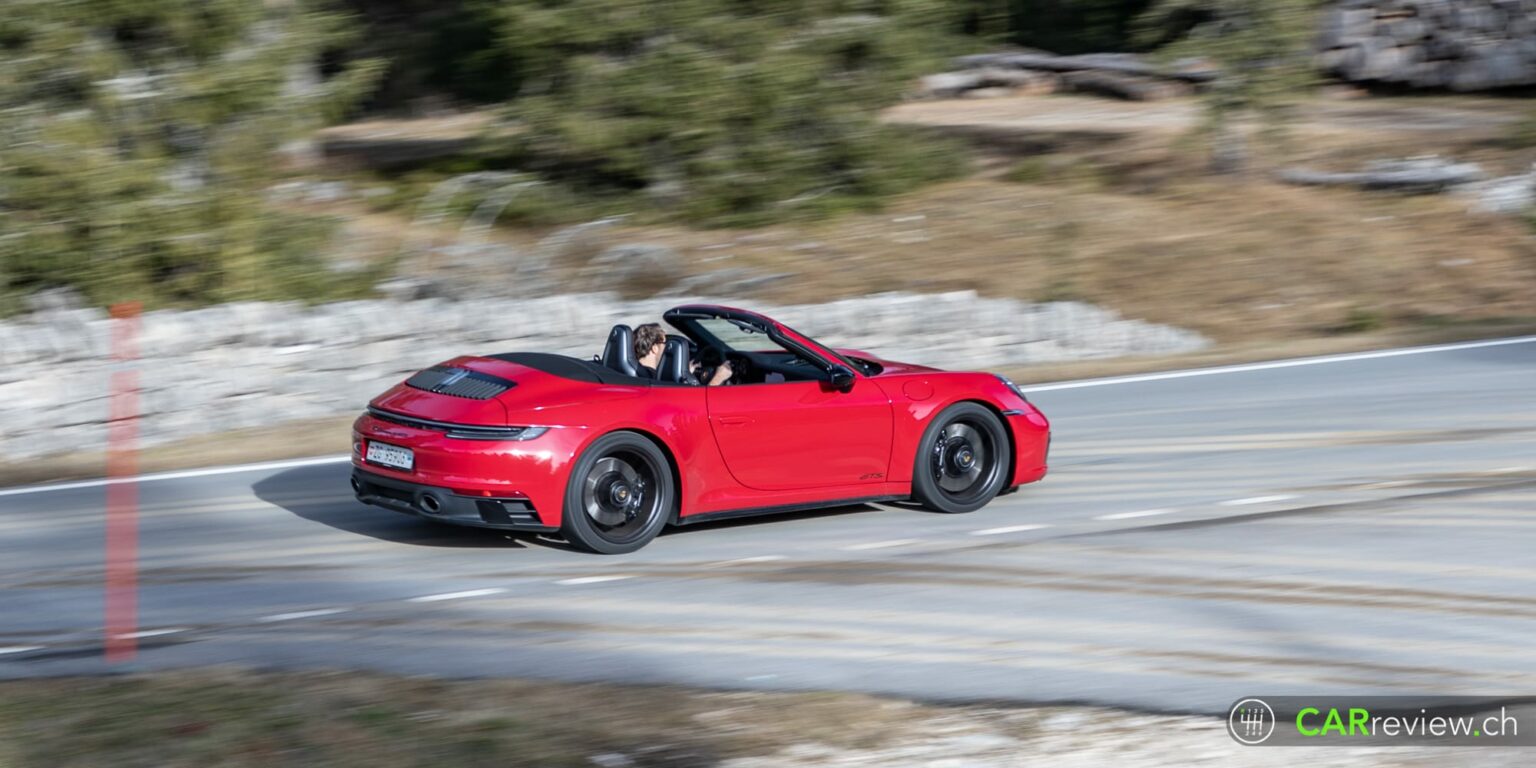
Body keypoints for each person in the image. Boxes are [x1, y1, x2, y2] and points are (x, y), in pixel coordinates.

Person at [633, 322, 731, 385]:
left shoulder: (637, 373)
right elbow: (697, 407)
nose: (668, 348)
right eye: (665, 343)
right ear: (654, 348)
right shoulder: (652, 381)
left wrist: (685, 373)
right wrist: (718, 377)